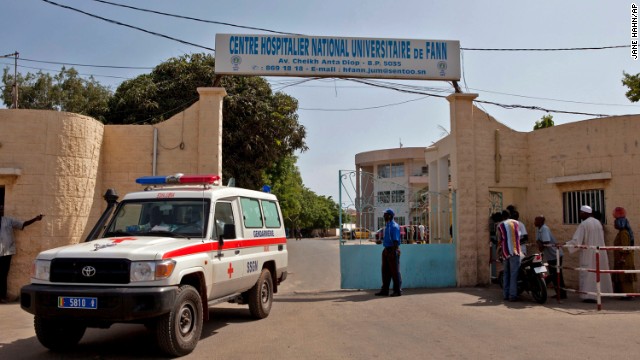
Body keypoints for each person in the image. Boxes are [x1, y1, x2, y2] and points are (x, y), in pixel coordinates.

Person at [565, 205, 613, 302]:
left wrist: (565, 244)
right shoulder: (598, 223)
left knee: (588, 273)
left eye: (580, 213)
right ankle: (598, 294)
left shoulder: (584, 224)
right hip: (598, 253)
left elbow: (577, 241)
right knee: (597, 272)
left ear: (585, 213)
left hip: (588, 254)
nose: (579, 215)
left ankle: (589, 296)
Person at [0, 205, 44, 303]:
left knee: (3, 275)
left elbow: (22, 224)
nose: (1, 211)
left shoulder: (8, 220)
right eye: (0, 209)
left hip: (6, 252)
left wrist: (35, 219)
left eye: (2, 209)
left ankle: (2, 296)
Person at [535, 215, 567, 299]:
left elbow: (546, 241)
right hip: (550, 255)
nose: (534, 222)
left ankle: (562, 293)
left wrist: (541, 245)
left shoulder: (545, 228)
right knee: (554, 274)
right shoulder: (538, 229)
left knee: (557, 274)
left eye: (536, 220)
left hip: (555, 255)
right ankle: (559, 293)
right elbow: (537, 240)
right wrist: (540, 244)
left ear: (541, 221)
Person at [375, 208, 402, 297]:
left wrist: (392, 252)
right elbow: (389, 239)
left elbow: (395, 240)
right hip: (386, 250)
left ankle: (397, 291)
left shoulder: (394, 226)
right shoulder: (388, 226)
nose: (384, 216)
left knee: (395, 272)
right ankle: (385, 290)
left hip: (392, 250)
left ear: (390, 216)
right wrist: (381, 242)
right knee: (385, 271)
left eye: (385, 214)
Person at [497, 210, 522, 301]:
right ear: (509, 215)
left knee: (506, 273)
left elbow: (499, 239)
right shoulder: (516, 223)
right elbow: (519, 236)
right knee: (514, 274)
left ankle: (506, 294)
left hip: (505, 252)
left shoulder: (500, 225)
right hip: (515, 251)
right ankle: (513, 295)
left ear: (502, 217)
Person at [612, 207, 636, 298]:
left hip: (624, 259)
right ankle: (622, 294)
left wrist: (622, 258)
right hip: (622, 259)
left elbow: (625, 247)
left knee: (625, 278)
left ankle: (628, 295)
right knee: (621, 277)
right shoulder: (622, 232)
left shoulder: (624, 233)